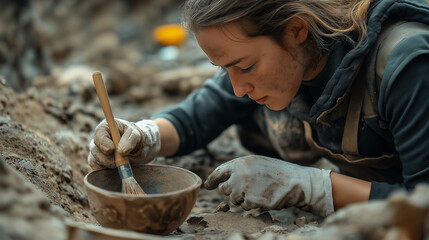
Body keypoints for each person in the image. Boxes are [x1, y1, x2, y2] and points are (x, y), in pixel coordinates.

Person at [88, 0, 429, 217]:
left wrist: (312, 187)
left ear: (296, 29)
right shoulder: (279, 57)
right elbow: (201, 114)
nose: (237, 87)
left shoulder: (406, 67)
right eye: (225, 69)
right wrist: (143, 136)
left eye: (245, 67)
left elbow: (423, 205)